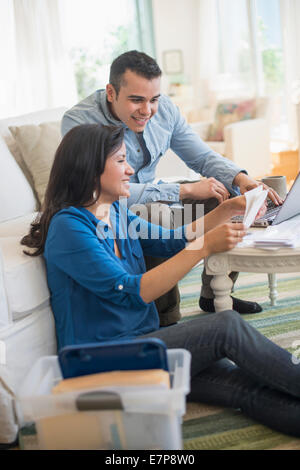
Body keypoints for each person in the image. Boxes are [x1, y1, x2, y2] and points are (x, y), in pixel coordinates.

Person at [22, 124, 300, 438]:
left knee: (244, 387)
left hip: (145, 345)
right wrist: (205, 246)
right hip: (101, 363)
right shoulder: (69, 228)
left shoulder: (114, 212)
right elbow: (133, 292)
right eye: (120, 161)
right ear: (90, 168)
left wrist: (229, 208)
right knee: (226, 327)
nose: (130, 170)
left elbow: (171, 241)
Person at [61, 51, 282, 324]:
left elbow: (201, 156)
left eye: (154, 99)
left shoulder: (163, 110)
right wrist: (183, 191)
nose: (148, 110)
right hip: (116, 204)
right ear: (111, 92)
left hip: (153, 192)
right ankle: (165, 317)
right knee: (152, 214)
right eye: (136, 100)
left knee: (225, 194)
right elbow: (98, 193)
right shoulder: (80, 123)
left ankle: (214, 294)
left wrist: (241, 179)